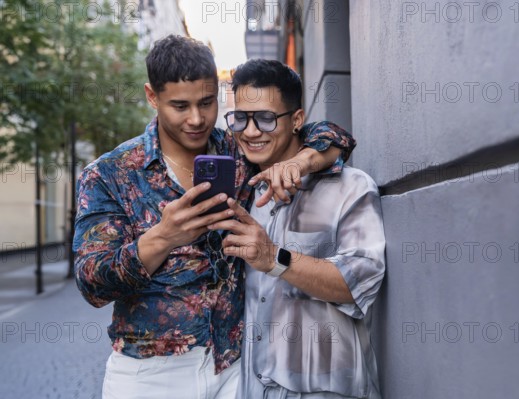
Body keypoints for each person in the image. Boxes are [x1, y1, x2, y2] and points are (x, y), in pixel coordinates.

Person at [73, 35, 355, 399]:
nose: (196, 119)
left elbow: (333, 136)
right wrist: (163, 236)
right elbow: (92, 284)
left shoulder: (238, 151)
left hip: (234, 367)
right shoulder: (109, 174)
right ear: (152, 97)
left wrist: (300, 161)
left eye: (207, 103)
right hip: (148, 374)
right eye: (180, 106)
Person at [209, 59, 385, 398]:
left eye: (265, 118)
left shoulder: (352, 188)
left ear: (298, 121)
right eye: (241, 117)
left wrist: (274, 257)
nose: (250, 131)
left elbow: (358, 285)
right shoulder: (244, 190)